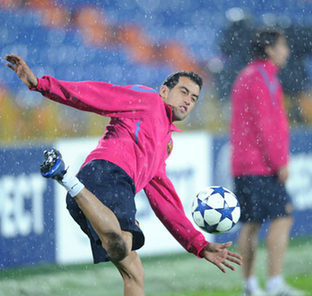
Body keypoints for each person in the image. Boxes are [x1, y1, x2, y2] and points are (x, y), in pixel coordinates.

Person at [5, 54, 242, 296]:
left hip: (93, 194)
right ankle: (66, 177)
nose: (188, 101)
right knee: (122, 245)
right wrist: (41, 85)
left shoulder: (164, 144)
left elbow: (164, 200)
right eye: (183, 92)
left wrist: (199, 245)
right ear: (163, 91)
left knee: (134, 271)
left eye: (194, 98)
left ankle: (69, 181)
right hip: (109, 176)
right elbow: (97, 95)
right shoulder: (148, 100)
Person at [230, 28, 304, 296]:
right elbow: (265, 124)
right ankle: (273, 283)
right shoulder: (260, 77)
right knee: (281, 217)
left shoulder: (252, 75)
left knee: (251, 223)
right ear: (270, 49)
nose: (287, 51)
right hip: (259, 165)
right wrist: (279, 162)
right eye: (283, 46)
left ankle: (250, 285)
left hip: (247, 163)